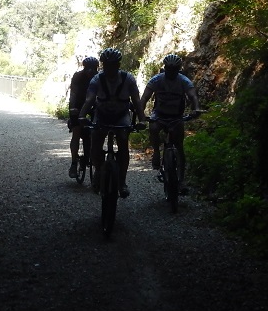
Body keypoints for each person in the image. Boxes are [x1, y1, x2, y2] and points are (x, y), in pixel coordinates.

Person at [77, 47, 146, 198]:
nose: (110, 68)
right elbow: (89, 99)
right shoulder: (97, 79)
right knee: (95, 142)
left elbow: (136, 100)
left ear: (118, 65)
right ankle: (98, 172)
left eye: (113, 65)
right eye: (107, 65)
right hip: (102, 115)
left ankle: (122, 181)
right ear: (103, 65)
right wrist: (81, 116)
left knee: (123, 143)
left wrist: (142, 119)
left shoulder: (128, 79)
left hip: (121, 115)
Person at [140, 54, 201, 188]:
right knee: (154, 128)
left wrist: (196, 108)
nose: (171, 72)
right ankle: (156, 152)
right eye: (169, 69)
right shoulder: (157, 80)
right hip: (160, 114)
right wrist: (141, 114)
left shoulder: (183, 81)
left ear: (178, 69)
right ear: (165, 68)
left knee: (179, 147)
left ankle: (182, 179)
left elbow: (192, 96)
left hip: (176, 116)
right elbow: (144, 98)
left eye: (174, 69)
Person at [66, 56, 99, 178]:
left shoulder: (99, 77)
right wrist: (72, 109)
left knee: (97, 132)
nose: (90, 71)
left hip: (94, 104)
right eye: (88, 68)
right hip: (79, 105)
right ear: (84, 68)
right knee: (76, 131)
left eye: (93, 68)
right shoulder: (78, 76)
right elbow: (73, 93)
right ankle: (74, 162)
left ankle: (95, 160)